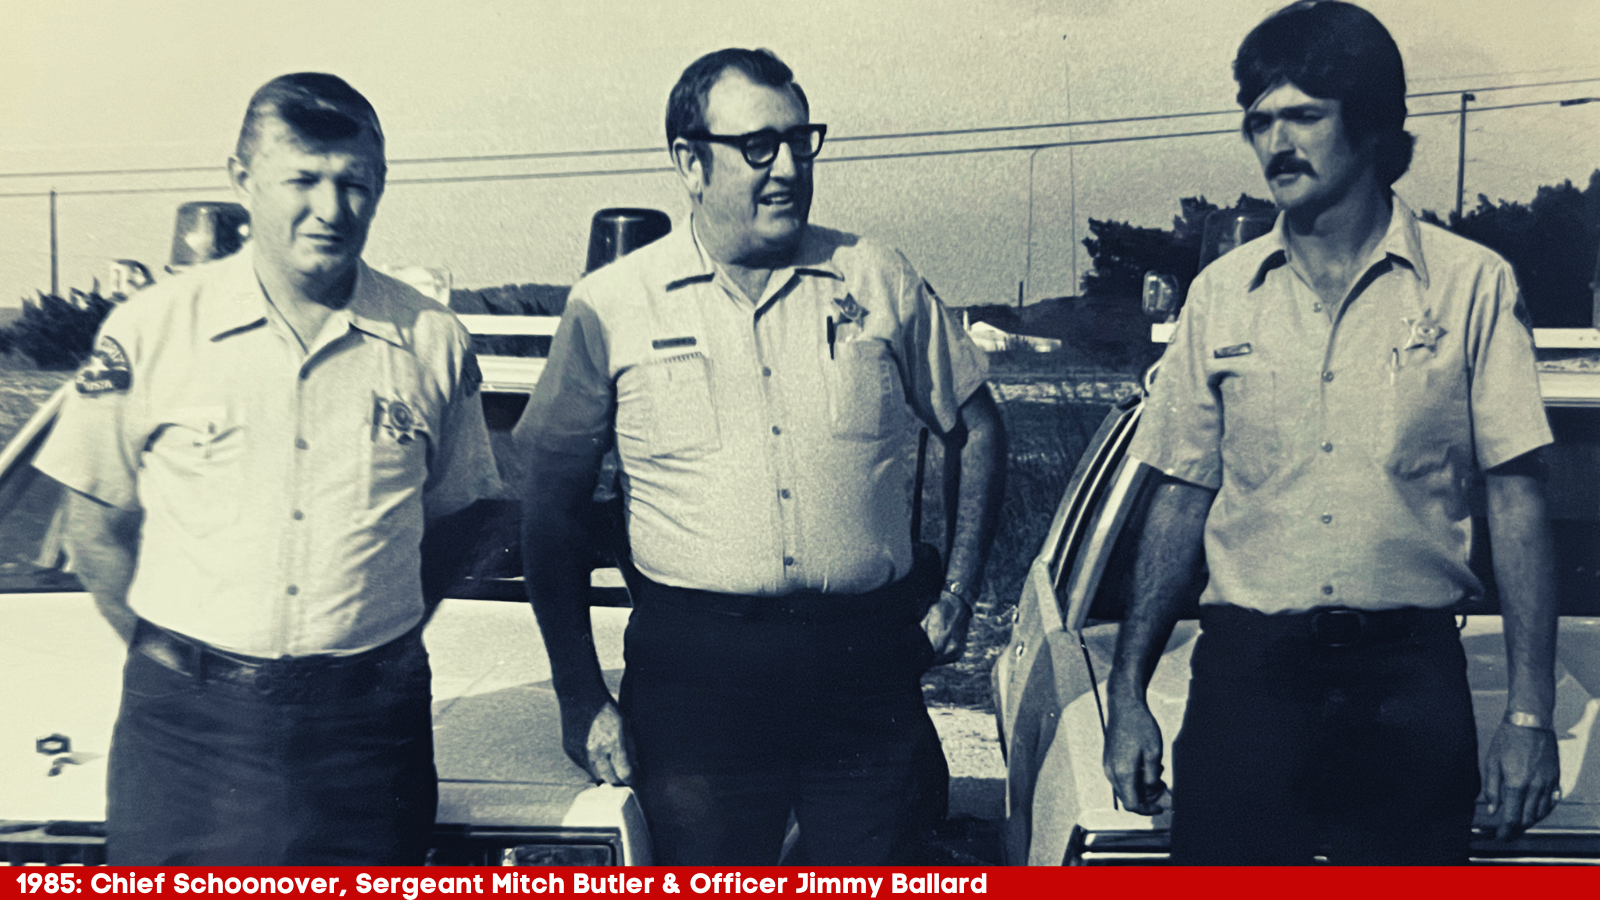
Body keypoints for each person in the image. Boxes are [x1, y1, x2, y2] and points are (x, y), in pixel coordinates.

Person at [516, 48, 1005, 865]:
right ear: (689, 162)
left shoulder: (875, 277)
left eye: (799, 142)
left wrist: (956, 597)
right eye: (757, 148)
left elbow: (978, 428)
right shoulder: (613, 305)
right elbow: (550, 506)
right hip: (696, 679)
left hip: (865, 670)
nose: (786, 169)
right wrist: (579, 696)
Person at [1102, 0, 1562, 865]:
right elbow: (1178, 499)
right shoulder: (1221, 294)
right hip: (1249, 682)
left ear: (1374, 123)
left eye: (1304, 116)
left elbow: (1520, 498)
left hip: (1410, 683)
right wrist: (1127, 692)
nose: (1277, 143)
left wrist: (1529, 713)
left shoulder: (1472, 286)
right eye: (1259, 122)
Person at [35, 73, 501, 865]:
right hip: (187, 731)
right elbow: (96, 527)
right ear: (242, 178)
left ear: (380, 187)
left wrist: (377, 629)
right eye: (304, 180)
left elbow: (466, 518)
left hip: (366, 734)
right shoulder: (154, 330)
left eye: (354, 183)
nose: (331, 208)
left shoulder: (431, 340)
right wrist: (169, 655)